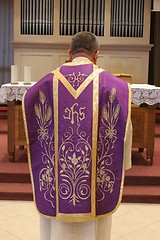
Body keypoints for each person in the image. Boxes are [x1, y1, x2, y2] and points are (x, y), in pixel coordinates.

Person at [22, 31, 132, 240]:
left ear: (69, 53)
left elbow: (32, 113)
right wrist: (123, 162)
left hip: (58, 184)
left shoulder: (47, 84)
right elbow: (125, 129)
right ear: (96, 54)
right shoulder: (113, 86)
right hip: (95, 183)